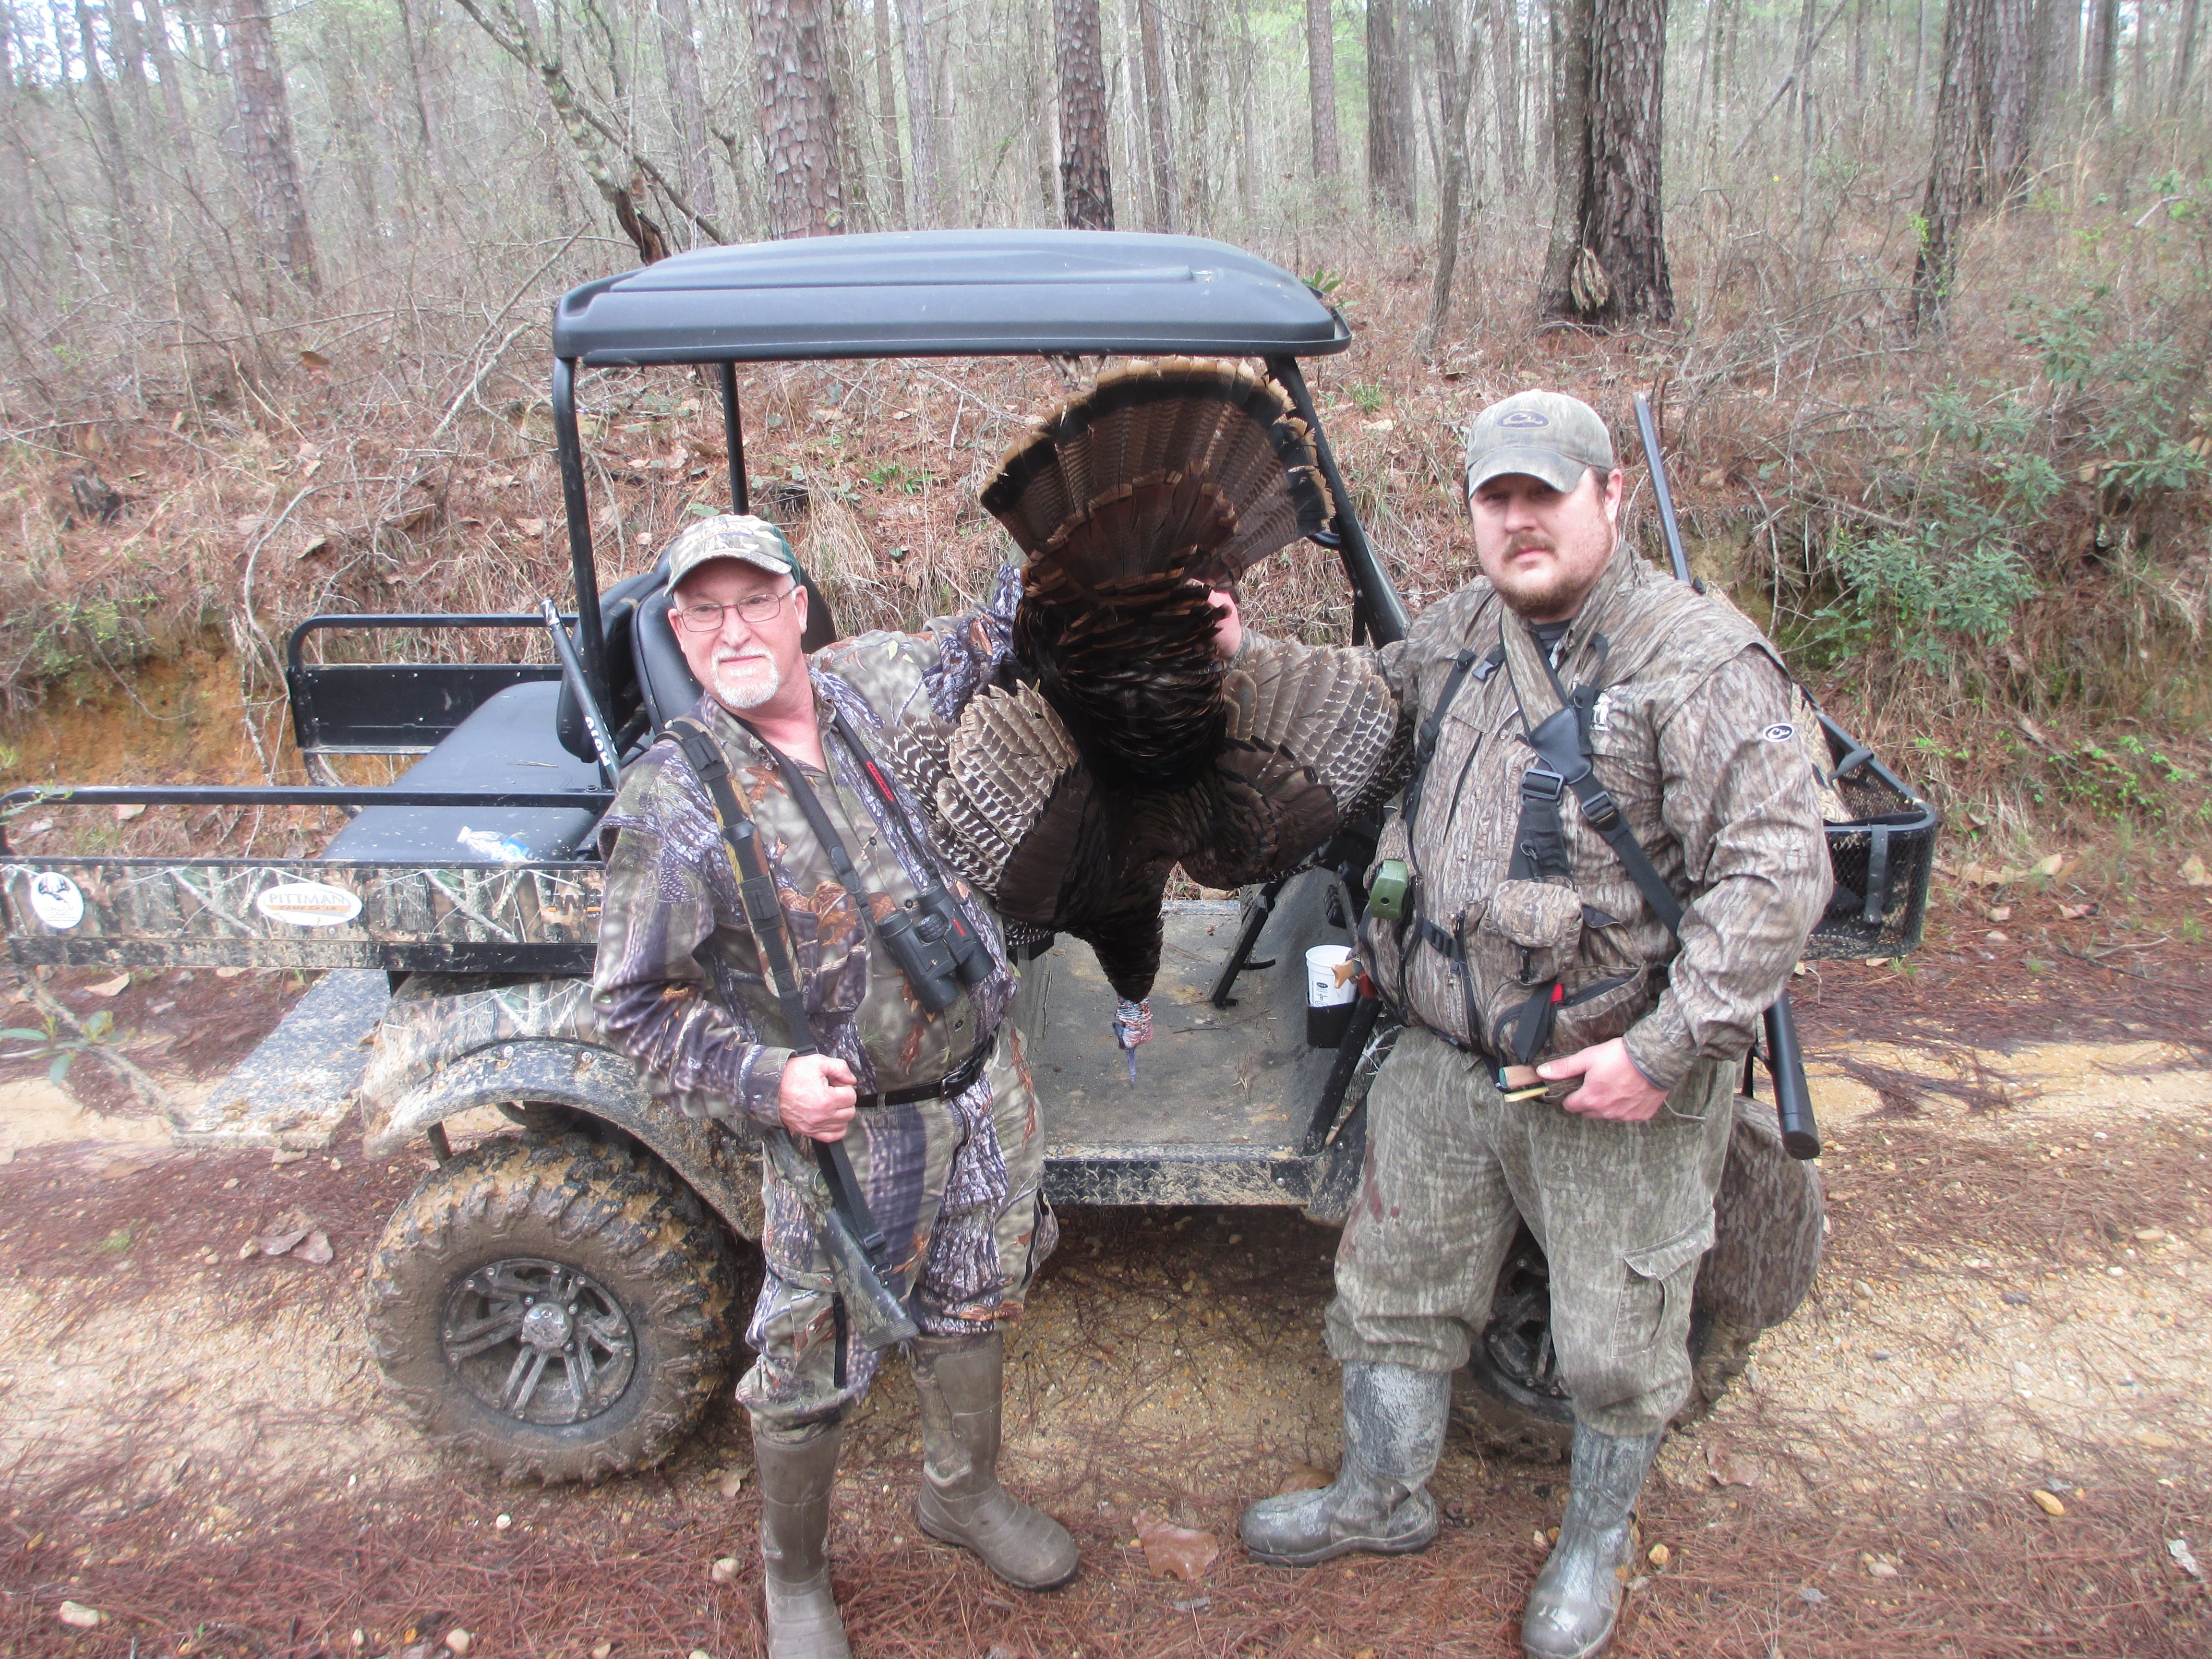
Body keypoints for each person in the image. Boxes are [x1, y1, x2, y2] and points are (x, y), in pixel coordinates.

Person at [1238, 392, 1830, 1659]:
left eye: (1545, 494)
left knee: (1615, 1342)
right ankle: (1378, 1497)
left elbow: (1781, 876)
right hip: (1444, 1059)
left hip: (1607, 1074)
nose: (1519, 520)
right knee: (1391, 1294)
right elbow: (1361, 703)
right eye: (1495, 498)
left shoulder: (1697, 664)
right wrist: (1245, 659)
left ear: (1609, 498)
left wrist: (1662, 1054)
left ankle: (1593, 1544)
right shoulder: (1462, 627)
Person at [592, 515, 1076, 1659]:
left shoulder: (867, 688)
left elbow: (984, 641)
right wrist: (767, 1082)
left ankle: (960, 1497)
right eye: (705, 611)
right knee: (811, 1355)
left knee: (978, 1295)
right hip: (849, 1134)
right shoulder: (674, 806)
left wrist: (1082, 552)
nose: (735, 629)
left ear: (799, 606)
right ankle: (793, 1575)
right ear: (678, 631)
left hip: (983, 1085)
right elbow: (628, 1006)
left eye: (756, 600)